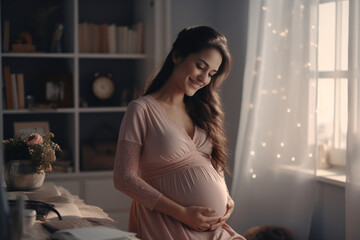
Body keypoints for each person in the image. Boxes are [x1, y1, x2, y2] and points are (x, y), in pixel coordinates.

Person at [113, 25, 245, 240]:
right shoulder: (141, 110)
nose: (204, 79)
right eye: (200, 66)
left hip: (214, 230)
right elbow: (123, 178)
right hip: (168, 224)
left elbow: (212, 160)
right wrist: (183, 214)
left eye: (211, 74)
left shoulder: (202, 110)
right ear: (177, 56)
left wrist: (226, 198)